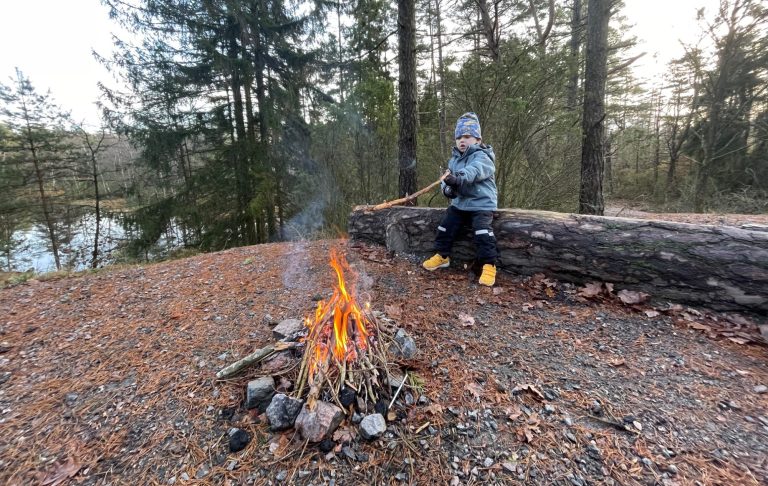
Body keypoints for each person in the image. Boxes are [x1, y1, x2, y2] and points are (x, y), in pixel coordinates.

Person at [422, 112, 499, 286]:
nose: (462, 141)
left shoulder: (483, 157)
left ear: (477, 140)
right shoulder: (454, 160)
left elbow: (475, 171)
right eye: (459, 137)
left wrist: (459, 178)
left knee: (482, 231)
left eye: (467, 136)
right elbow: (446, 180)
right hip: (461, 204)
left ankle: (489, 264)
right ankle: (442, 256)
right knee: (445, 226)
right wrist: (448, 189)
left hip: (481, 204)